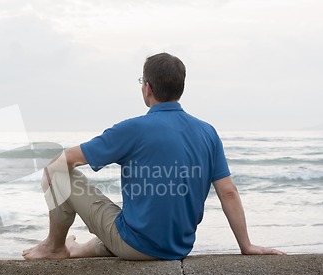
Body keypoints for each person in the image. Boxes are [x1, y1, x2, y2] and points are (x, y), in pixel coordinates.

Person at [22, 52, 286, 260]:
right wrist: (246, 245)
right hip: (177, 248)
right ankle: (72, 249)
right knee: (117, 234)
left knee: (53, 170)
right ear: (179, 88)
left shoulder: (132, 128)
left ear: (147, 88)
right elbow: (228, 191)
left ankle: (54, 246)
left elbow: (65, 160)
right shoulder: (208, 132)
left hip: (136, 245)